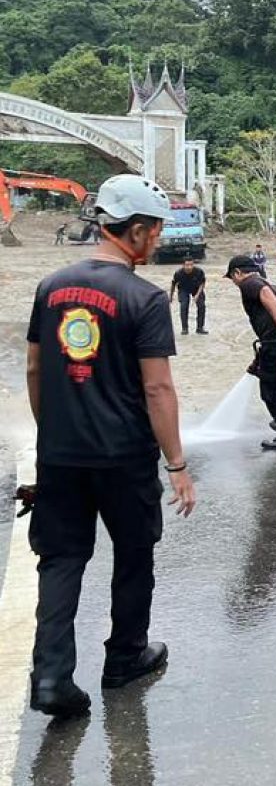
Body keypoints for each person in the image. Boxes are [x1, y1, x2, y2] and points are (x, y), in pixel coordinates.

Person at [25, 173, 196, 719]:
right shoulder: (143, 298)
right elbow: (158, 387)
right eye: (157, 231)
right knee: (133, 554)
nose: (160, 242)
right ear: (138, 230)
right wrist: (177, 464)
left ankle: (52, 677)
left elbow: (34, 367)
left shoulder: (51, 288)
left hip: (61, 456)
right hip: (124, 457)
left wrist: (53, 431)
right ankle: (124, 658)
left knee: (61, 559)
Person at [224, 255, 276, 450]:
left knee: (271, 388)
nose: (234, 282)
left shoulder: (250, 283)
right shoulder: (265, 281)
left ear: (237, 272)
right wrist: (258, 360)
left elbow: (264, 294)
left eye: (232, 278)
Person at [169, 256, 207, 335]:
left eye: (191, 265)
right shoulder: (178, 273)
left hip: (196, 288)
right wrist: (171, 297)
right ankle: (184, 328)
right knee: (184, 305)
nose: (189, 267)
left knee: (201, 305)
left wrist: (197, 295)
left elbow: (202, 283)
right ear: (183, 265)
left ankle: (200, 328)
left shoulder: (199, 271)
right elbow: (173, 284)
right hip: (183, 289)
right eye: (187, 265)